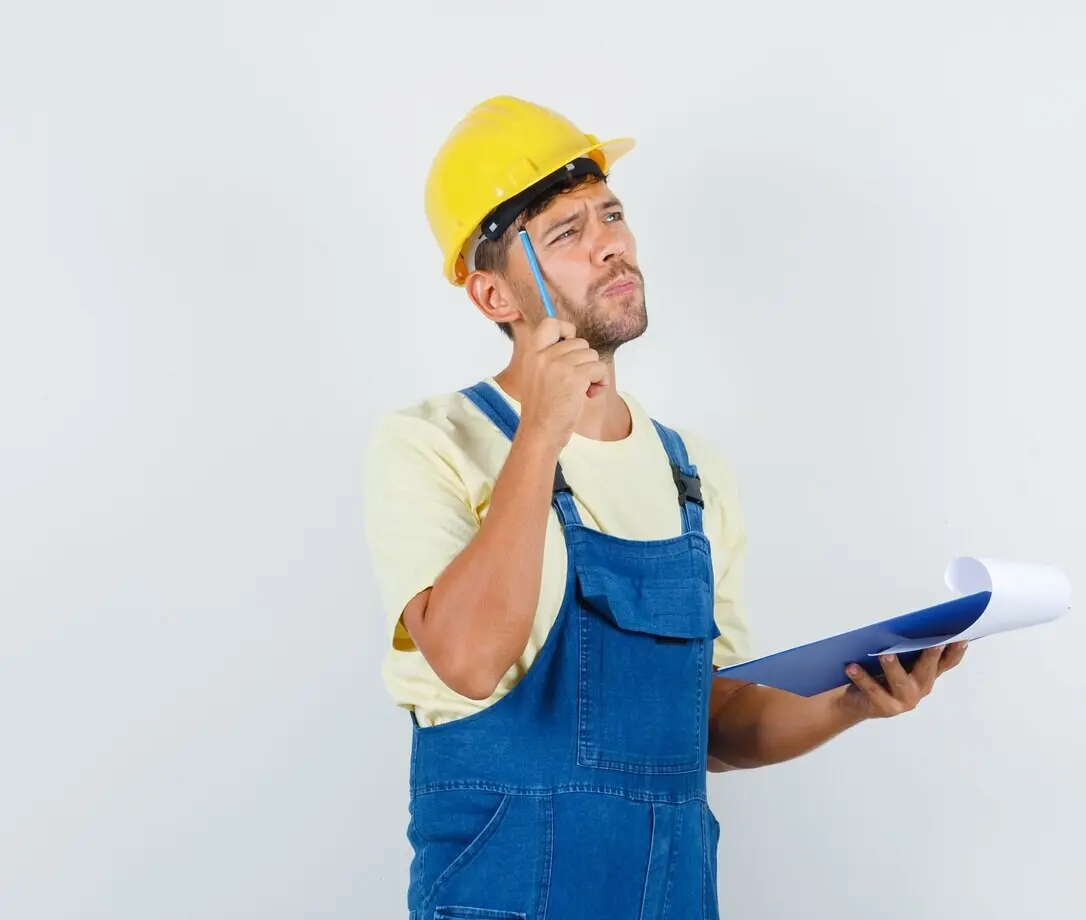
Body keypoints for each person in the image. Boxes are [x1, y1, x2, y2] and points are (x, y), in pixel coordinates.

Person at [363, 95, 969, 919]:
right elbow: (468, 659)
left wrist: (850, 700)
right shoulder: (430, 443)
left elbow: (712, 721)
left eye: (610, 214)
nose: (610, 242)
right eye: (566, 233)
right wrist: (541, 433)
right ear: (494, 297)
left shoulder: (693, 476)